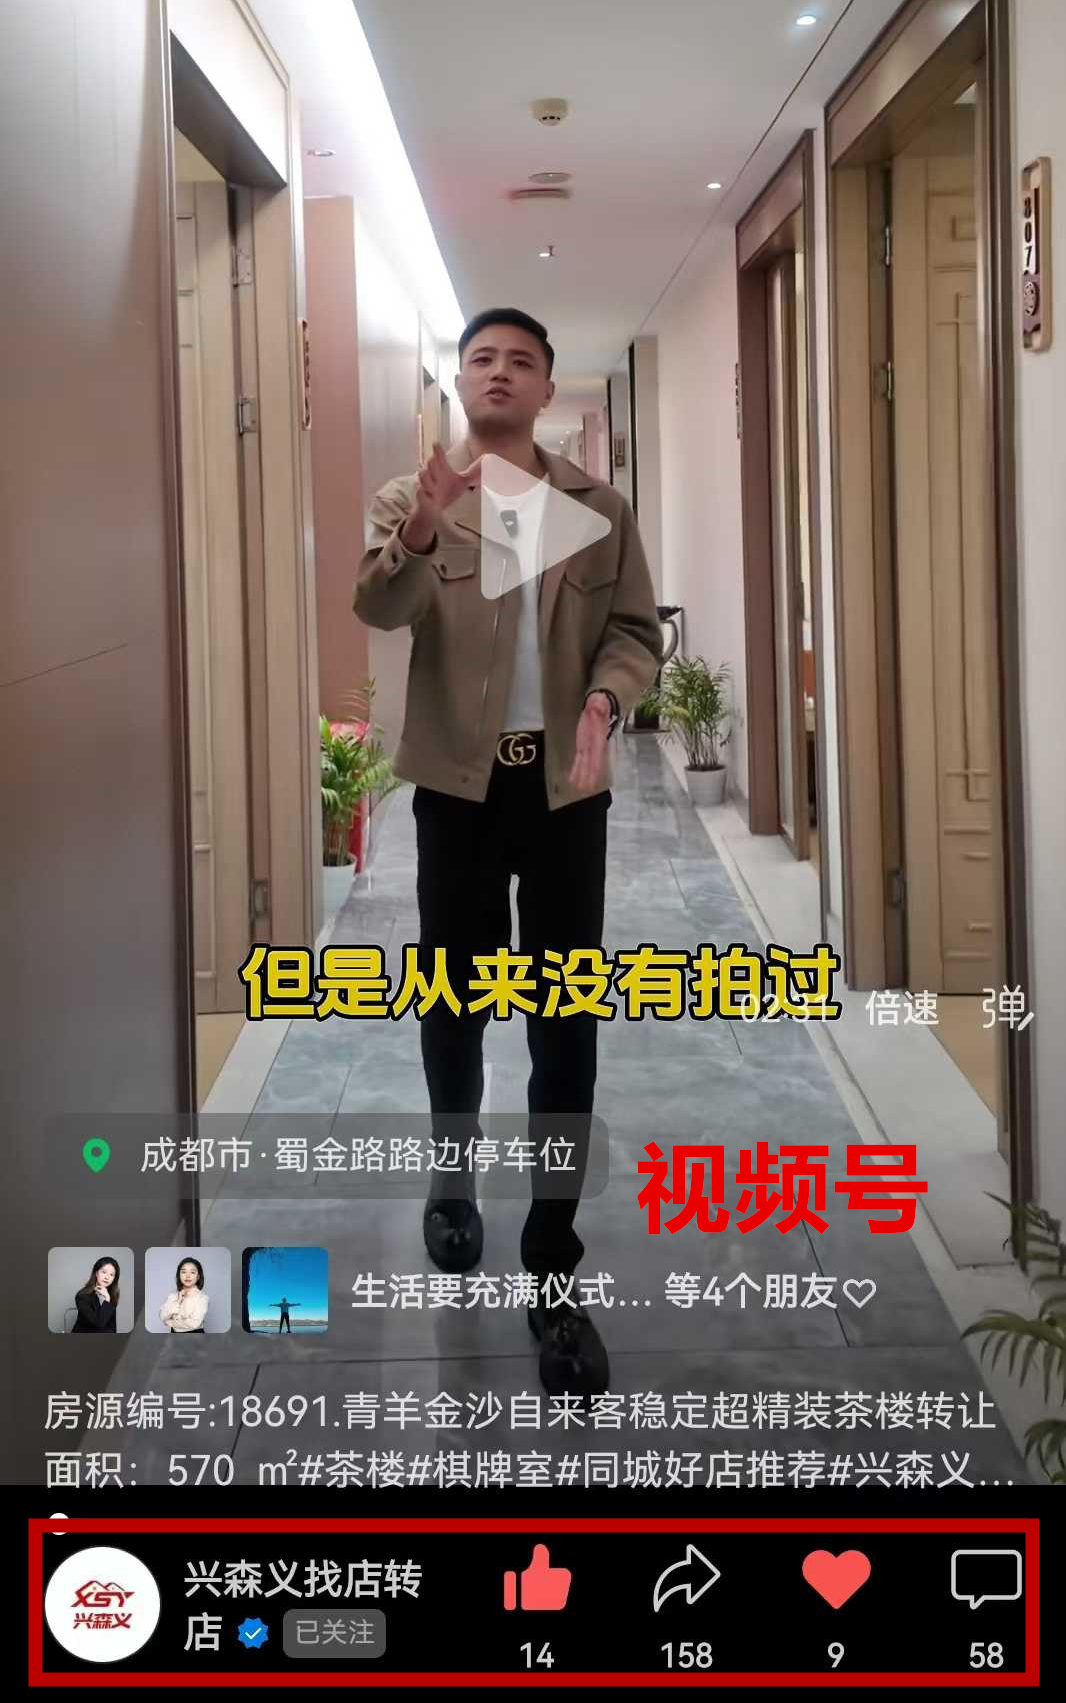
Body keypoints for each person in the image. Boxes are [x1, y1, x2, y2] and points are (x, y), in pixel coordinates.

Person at [354, 307, 663, 1395]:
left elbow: (635, 632)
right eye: (482, 358)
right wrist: (421, 531)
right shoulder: (417, 496)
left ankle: (553, 1267)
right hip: (459, 789)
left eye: (520, 361)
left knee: (564, 1015)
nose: (499, 372)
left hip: (565, 788)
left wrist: (607, 701)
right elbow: (377, 603)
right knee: (456, 998)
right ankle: (453, 1174)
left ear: (543, 386)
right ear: (461, 380)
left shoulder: (598, 509)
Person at [158, 1257, 210, 1334]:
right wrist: (178, 1301)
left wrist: (170, 1322)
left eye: (192, 1272)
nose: (187, 1276)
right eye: (183, 1272)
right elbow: (162, 1316)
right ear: (179, 1275)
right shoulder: (173, 1295)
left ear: (198, 1276)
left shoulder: (203, 1298)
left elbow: (194, 1324)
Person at [72, 1256, 121, 1333]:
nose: (107, 1277)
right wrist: (107, 1299)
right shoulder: (82, 1296)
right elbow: (98, 1324)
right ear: (96, 1273)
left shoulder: (112, 1295)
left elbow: (112, 1326)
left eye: (111, 1274)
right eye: (104, 1272)